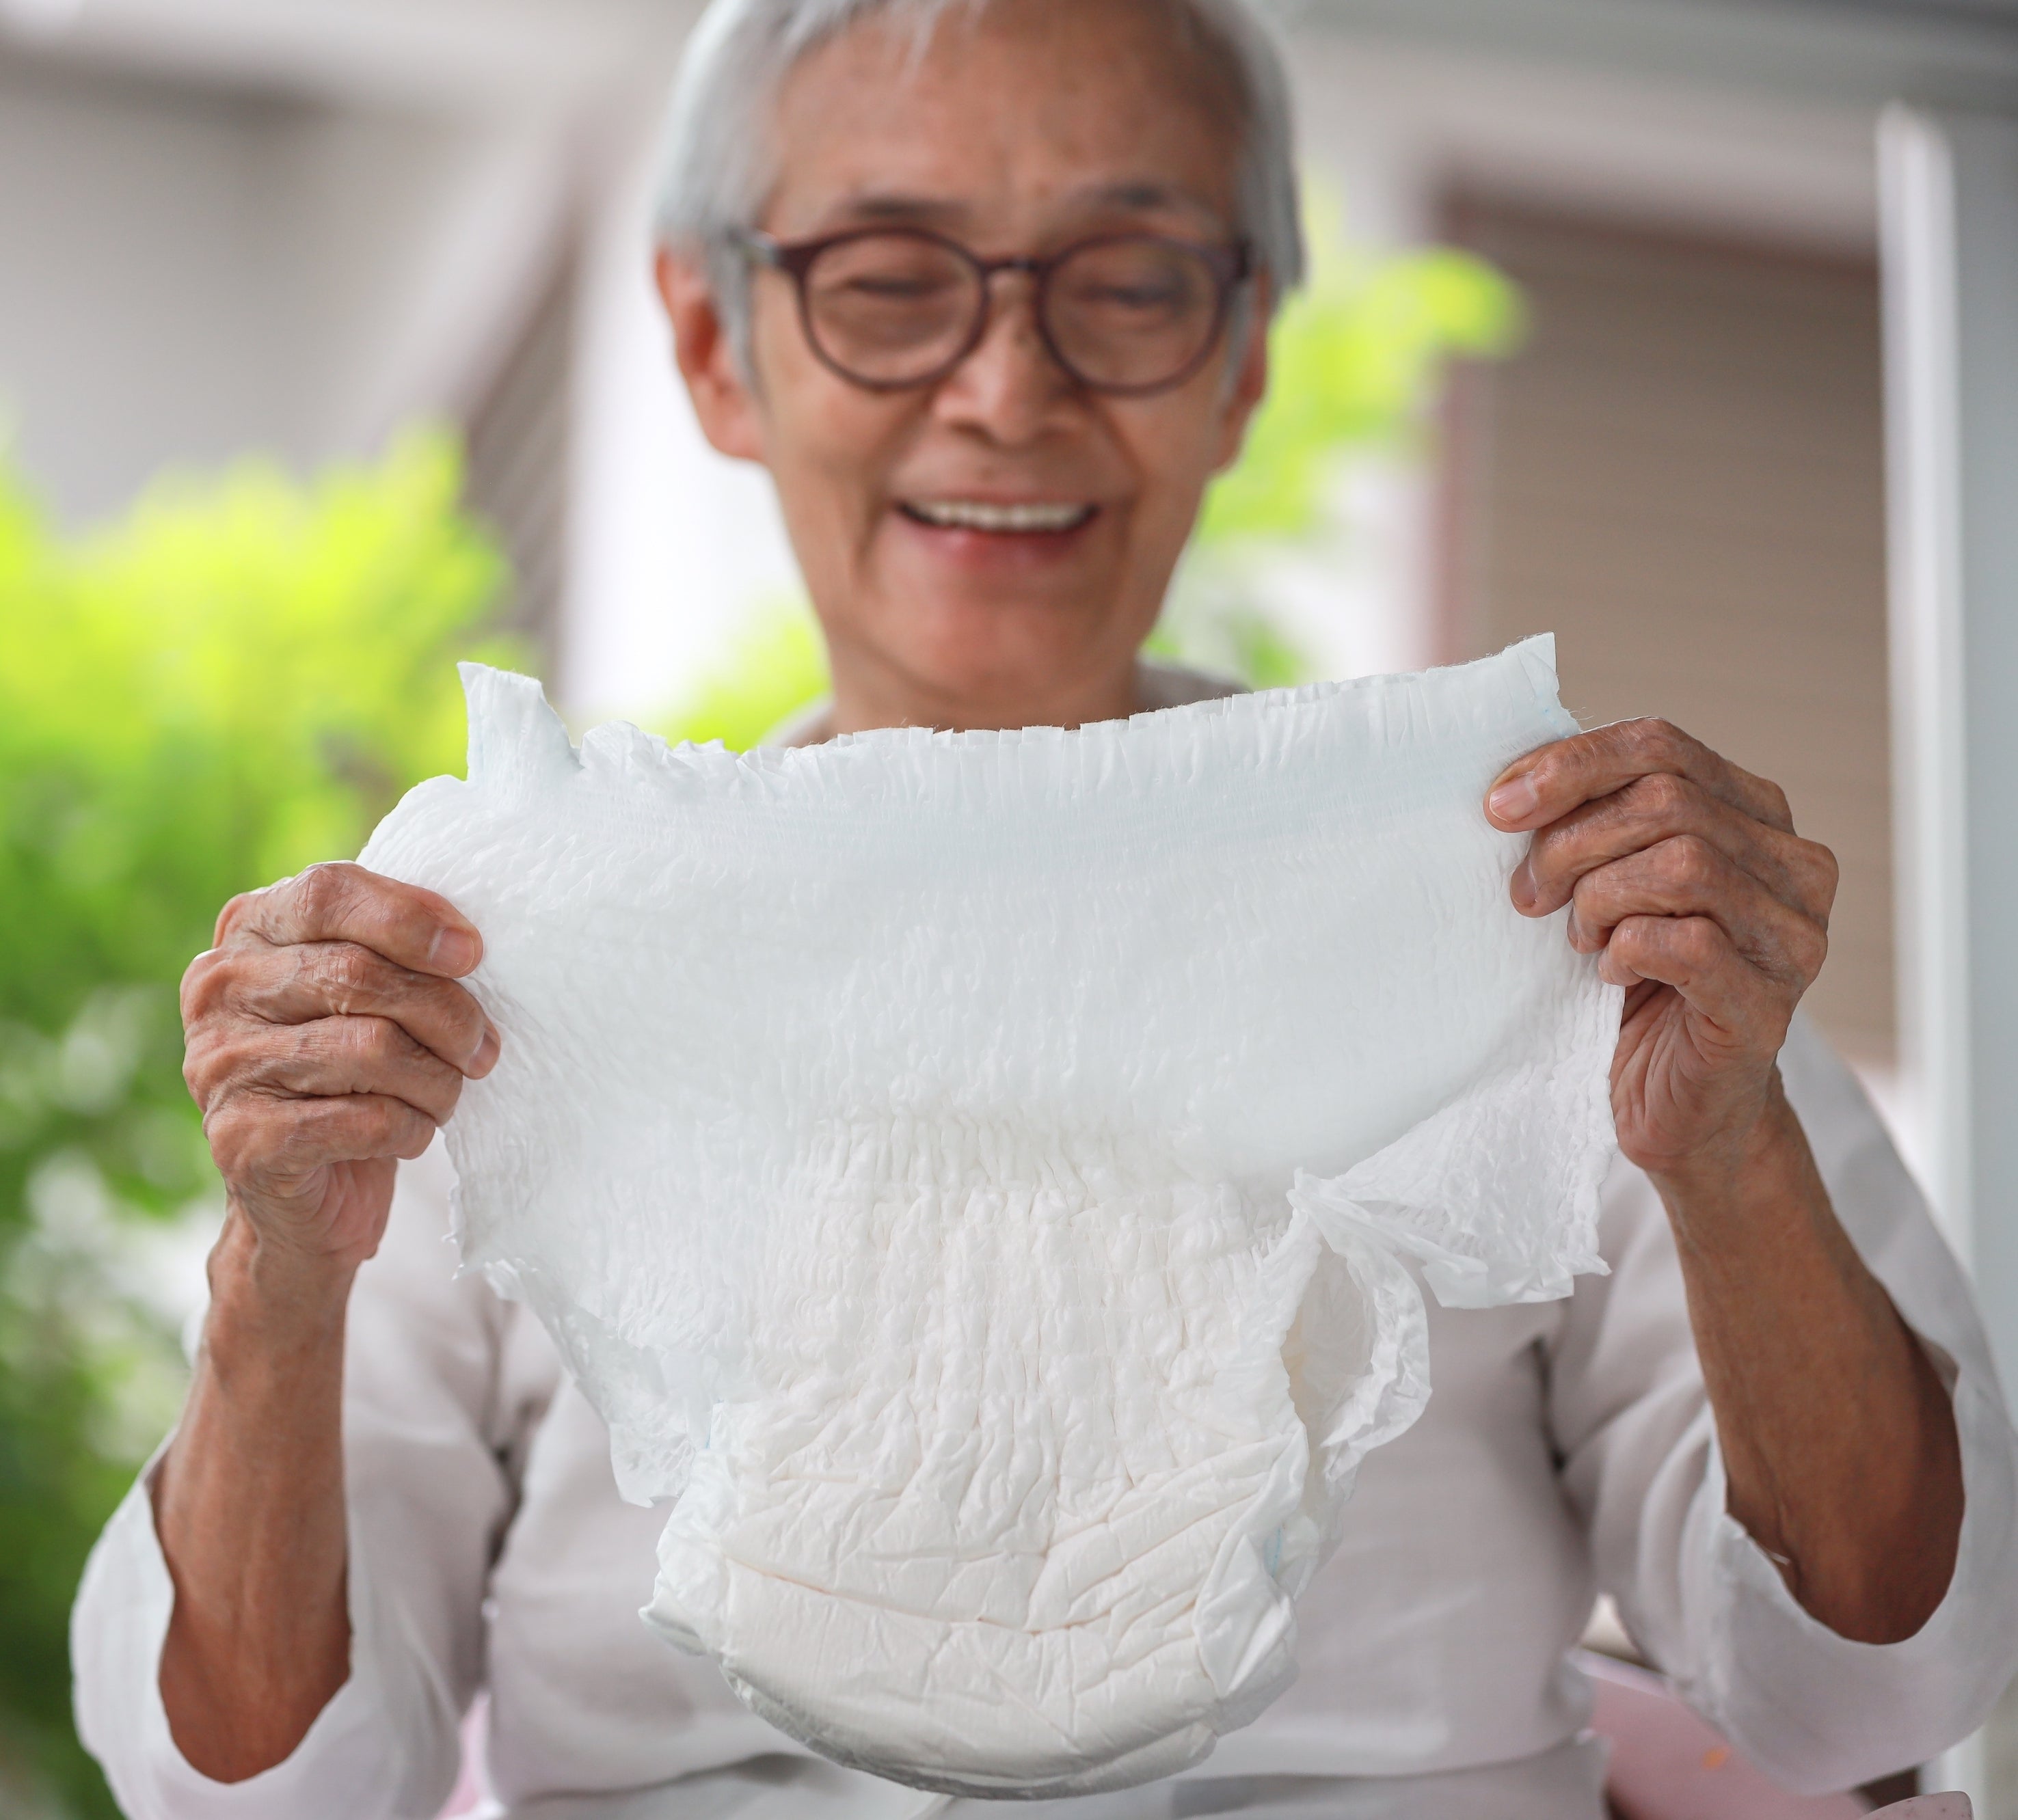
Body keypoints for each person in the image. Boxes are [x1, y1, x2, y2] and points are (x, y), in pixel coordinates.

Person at [71, 1, 2018, 1816]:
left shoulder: (1535, 909)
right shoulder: (507, 975)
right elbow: (258, 1787)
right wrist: (278, 1272)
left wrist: (1737, 1149)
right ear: (707, 340)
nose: (1007, 391)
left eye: (1128, 282)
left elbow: (1883, 1685)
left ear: (1245, 352)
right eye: (891, 281)